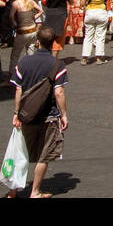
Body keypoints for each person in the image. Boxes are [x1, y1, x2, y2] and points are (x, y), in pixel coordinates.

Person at [9, 26, 69, 198]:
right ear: (53, 43)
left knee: (22, 152)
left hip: (27, 115)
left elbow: (18, 90)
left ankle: (13, 190)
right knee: (44, 154)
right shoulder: (58, 65)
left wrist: (16, 113)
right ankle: (35, 191)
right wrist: (64, 114)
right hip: (48, 116)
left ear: (37, 42)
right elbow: (59, 92)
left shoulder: (24, 62)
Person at [81, 0, 111, 66]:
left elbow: (82, 4)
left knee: (88, 36)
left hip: (90, 12)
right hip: (101, 12)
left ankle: (85, 58)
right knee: (100, 36)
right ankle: (99, 57)